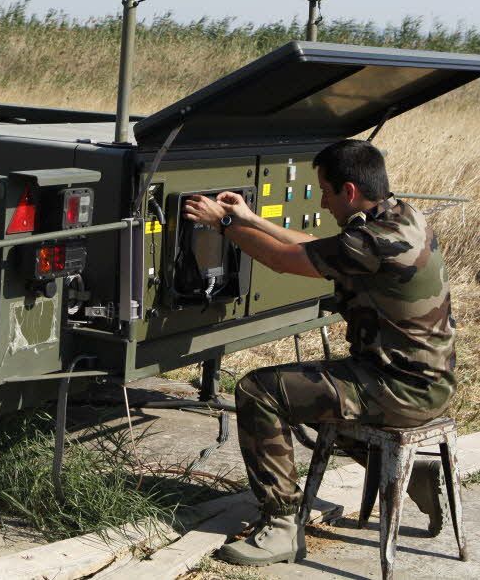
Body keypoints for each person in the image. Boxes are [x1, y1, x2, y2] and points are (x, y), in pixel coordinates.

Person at [183, 139, 455, 567]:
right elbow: (316, 244)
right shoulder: (401, 216)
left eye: (326, 192)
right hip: (426, 381)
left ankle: (281, 526)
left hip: (397, 389)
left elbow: (284, 260)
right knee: (319, 398)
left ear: (349, 191)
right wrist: (251, 217)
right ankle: (412, 476)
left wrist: (224, 226)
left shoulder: (374, 240)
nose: (323, 202)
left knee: (260, 391)